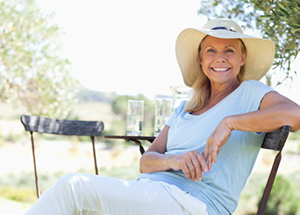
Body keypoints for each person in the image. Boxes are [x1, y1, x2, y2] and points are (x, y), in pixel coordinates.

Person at [24, 18, 300, 215]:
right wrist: (173, 159)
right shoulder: (186, 107)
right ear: (201, 60)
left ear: (242, 58)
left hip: (193, 204)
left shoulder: (250, 92)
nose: (220, 58)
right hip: (153, 194)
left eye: (229, 50)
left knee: (73, 188)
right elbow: (146, 162)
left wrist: (228, 123)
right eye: (211, 51)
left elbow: (295, 114)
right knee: (68, 201)